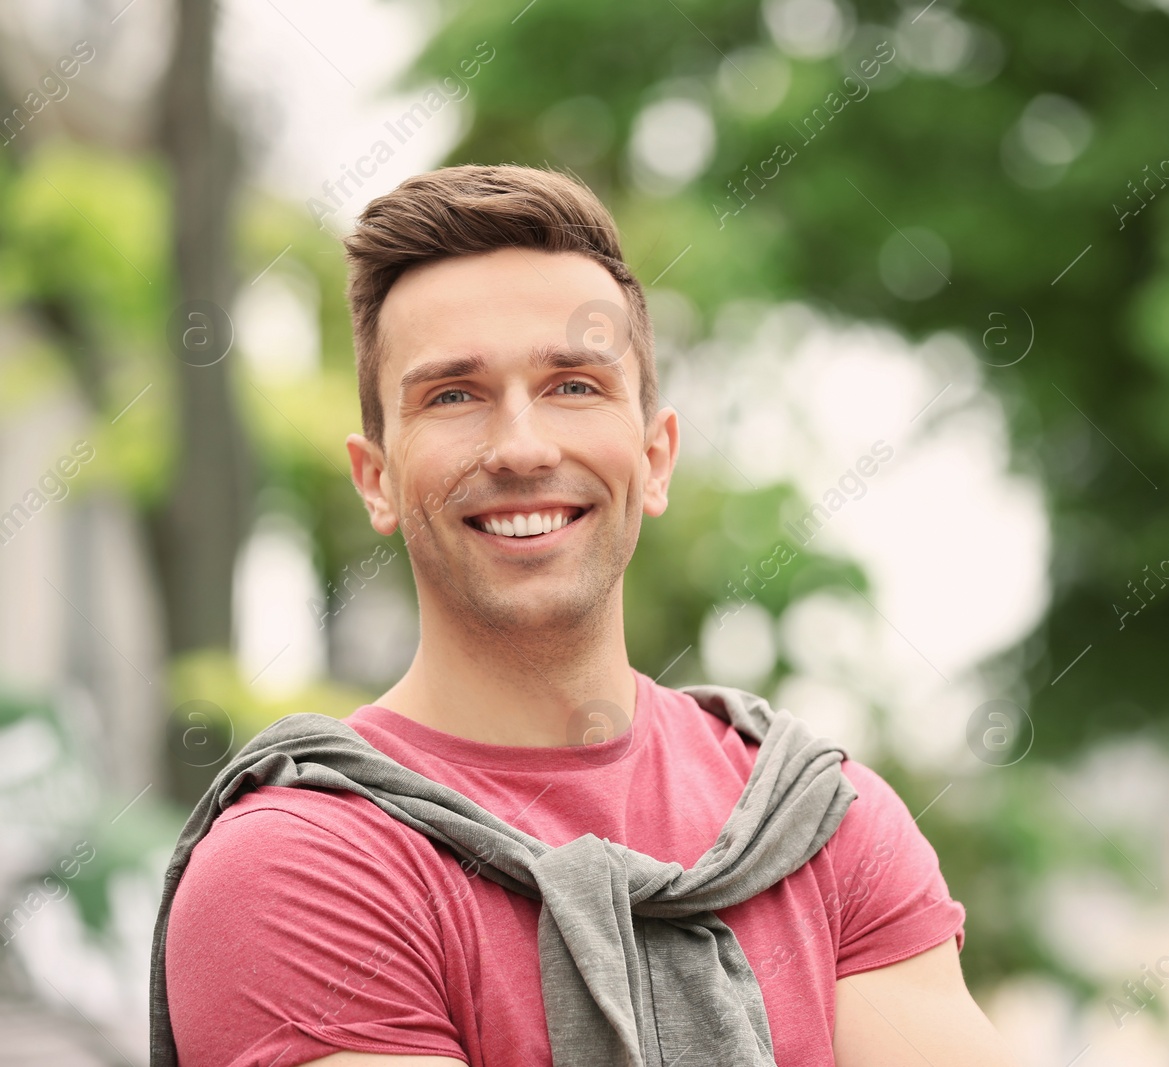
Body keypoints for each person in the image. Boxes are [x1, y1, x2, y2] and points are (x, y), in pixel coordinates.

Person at [162, 164, 1015, 1066]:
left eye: (573, 384)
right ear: (376, 477)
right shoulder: (304, 864)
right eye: (454, 394)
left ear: (655, 456)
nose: (523, 447)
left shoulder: (819, 824)